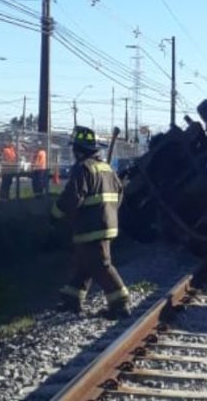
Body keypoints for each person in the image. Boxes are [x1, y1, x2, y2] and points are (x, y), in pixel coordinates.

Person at [51, 126, 131, 318]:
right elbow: (120, 193)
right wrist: (109, 214)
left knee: (101, 265)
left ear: (78, 150)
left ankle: (120, 303)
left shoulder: (83, 168)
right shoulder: (107, 168)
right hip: (107, 224)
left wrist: (55, 214)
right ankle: (72, 299)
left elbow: (73, 196)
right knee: (84, 264)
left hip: (91, 227)